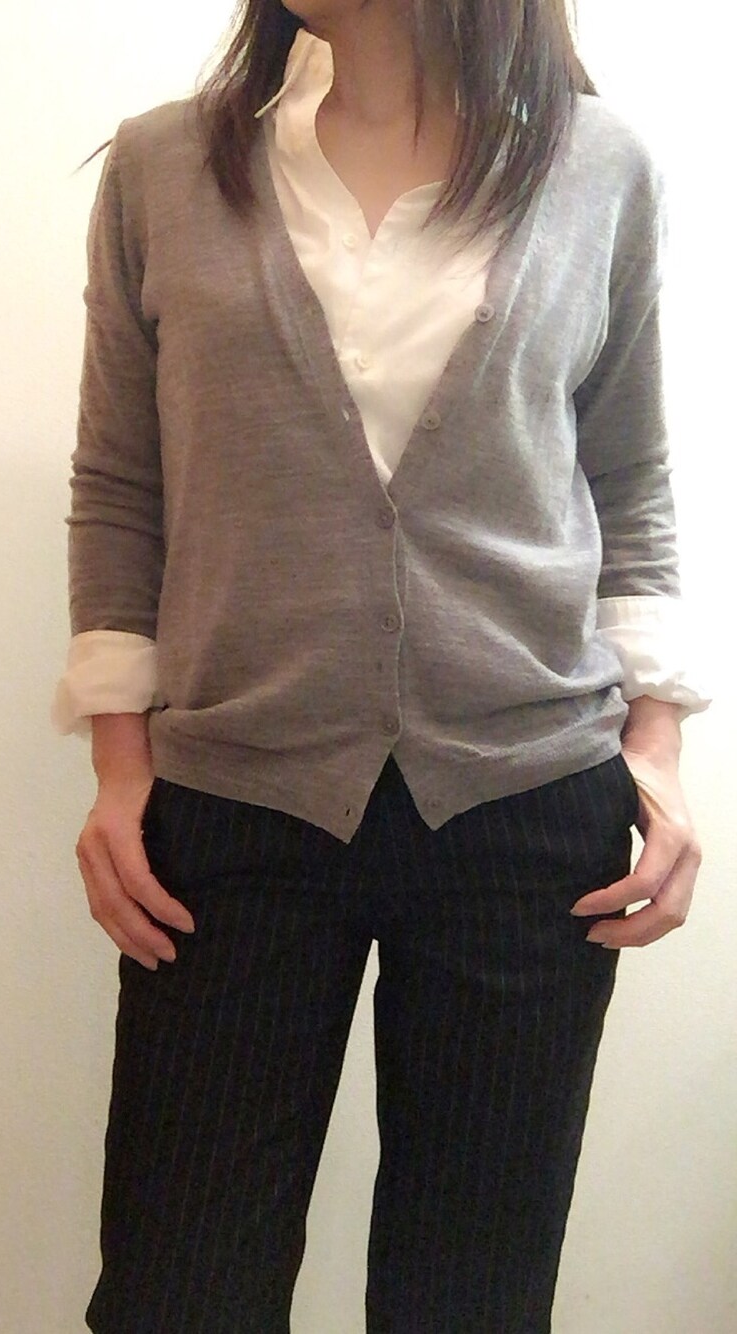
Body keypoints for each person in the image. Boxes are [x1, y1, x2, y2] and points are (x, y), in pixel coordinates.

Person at [51, 1, 711, 1329]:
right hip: (237, 800)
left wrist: (657, 749)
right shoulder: (165, 167)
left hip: (526, 808)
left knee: (471, 1299)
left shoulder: (599, 167)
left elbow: (629, 475)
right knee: (180, 1291)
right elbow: (123, 483)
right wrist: (121, 768)